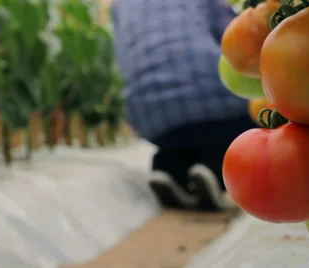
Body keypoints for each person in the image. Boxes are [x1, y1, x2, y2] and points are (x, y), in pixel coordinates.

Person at [110, 0, 258, 211]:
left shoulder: (120, 5)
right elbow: (235, 36)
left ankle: (168, 168)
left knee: (183, 135)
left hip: (148, 114)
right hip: (212, 96)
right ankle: (214, 168)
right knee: (254, 115)